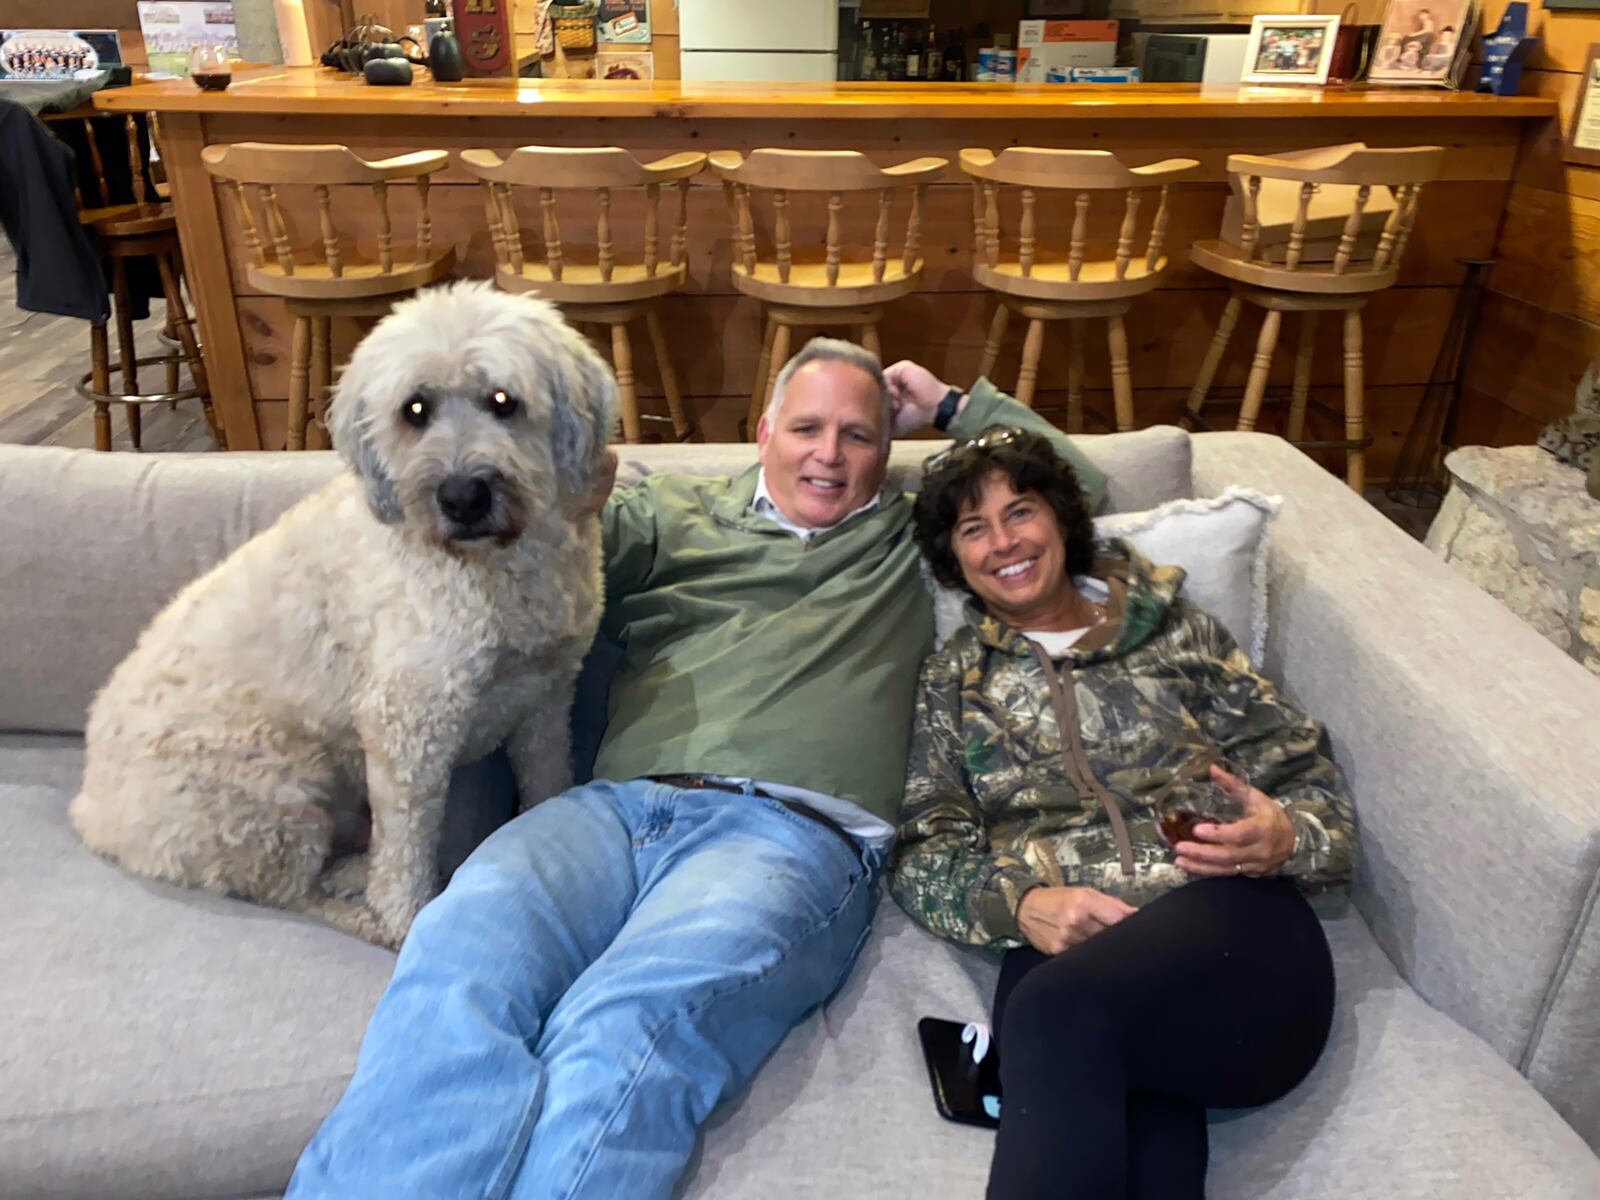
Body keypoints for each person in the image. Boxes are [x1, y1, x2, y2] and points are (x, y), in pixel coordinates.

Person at [286, 342, 1107, 1200]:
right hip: (606, 815)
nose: (829, 453)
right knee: (457, 964)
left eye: (858, 435)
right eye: (808, 428)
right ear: (763, 435)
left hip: (789, 833)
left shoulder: (912, 533)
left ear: (886, 453)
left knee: (628, 1025)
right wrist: (569, 500)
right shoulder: (669, 513)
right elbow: (518, 559)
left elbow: (1076, 494)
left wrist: (948, 405)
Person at [892, 427, 1357, 1200]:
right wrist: (1023, 902)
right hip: (1068, 951)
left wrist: (1287, 836)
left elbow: (1305, 773)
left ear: (1062, 520)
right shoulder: (952, 680)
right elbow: (922, 850)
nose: (1004, 542)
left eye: (1022, 512)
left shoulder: (1179, 632)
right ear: (954, 558)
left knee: (1047, 1015)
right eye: (974, 528)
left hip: (1234, 932)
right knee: (1122, 1109)